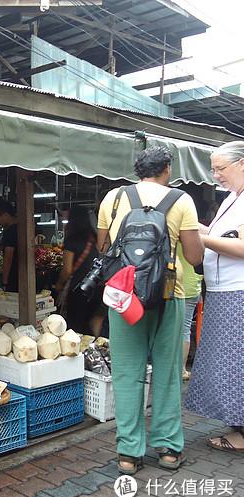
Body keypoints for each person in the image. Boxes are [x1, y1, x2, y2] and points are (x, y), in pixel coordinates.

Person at [97, 147, 203, 475]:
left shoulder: (113, 199)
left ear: (137, 169)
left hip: (124, 297)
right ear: (167, 169)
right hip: (170, 296)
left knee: (127, 374)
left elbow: (104, 248)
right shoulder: (181, 200)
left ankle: (129, 454)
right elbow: (195, 256)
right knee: (167, 373)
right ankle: (169, 449)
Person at [185, 141, 244, 452]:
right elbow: (223, 236)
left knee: (236, 362)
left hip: (239, 292)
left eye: (221, 168)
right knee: (226, 362)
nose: (216, 175)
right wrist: (197, 228)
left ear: (243, 164)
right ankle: (237, 425)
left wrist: (204, 237)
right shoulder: (231, 200)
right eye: (214, 169)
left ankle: (242, 433)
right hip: (225, 292)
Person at [54, 206, 100, 335]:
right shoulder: (95, 238)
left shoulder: (72, 240)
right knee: (89, 326)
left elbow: (67, 270)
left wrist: (58, 285)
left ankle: (76, 353)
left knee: (75, 327)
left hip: (77, 291)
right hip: (94, 289)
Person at [176, 244, 202, 381]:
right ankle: (181, 369)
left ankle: (176, 369)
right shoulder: (194, 231)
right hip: (192, 284)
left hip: (175, 283)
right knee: (184, 329)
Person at [0, 200, 19, 292]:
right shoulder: (21, 227)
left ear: (6, 214)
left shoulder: (10, 232)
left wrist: (4, 281)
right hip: (23, 274)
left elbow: (8, 257)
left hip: (14, 276)